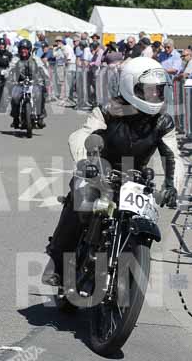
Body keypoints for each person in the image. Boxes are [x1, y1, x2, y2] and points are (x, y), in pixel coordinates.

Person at [42, 57, 184, 286]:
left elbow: (172, 154)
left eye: (158, 90)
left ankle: (129, 260)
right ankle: (57, 261)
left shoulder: (163, 121)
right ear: (131, 87)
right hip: (99, 170)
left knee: (144, 215)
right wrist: (85, 162)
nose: (155, 95)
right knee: (80, 199)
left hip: (135, 177)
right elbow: (83, 134)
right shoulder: (108, 111)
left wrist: (172, 186)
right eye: (148, 90)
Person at [9, 39, 48, 129]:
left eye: (26, 48)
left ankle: (40, 117)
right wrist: (6, 74)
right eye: (22, 48)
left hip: (34, 83)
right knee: (15, 98)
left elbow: (42, 68)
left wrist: (46, 76)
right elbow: (10, 67)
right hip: (19, 83)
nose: (24, 50)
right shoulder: (16, 58)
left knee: (40, 95)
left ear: (29, 49)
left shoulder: (35, 59)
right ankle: (15, 118)